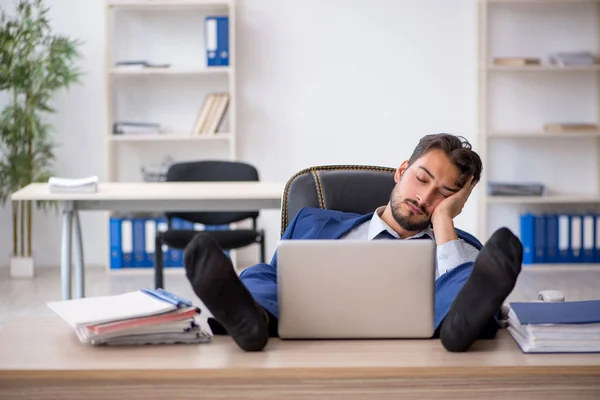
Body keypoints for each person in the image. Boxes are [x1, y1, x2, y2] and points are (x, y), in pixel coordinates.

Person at [183, 133, 523, 352]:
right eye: (421, 179)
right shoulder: (313, 221)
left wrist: (444, 221)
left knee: (465, 280)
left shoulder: (463, 250)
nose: (424, 197)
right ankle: (252, 320)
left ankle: (457, 327)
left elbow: (463, 267)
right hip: (311, 324)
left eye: (444, 194)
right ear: (401, 170)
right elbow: (278, 284)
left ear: (456, 203)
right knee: (262, 274)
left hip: (425, 344)